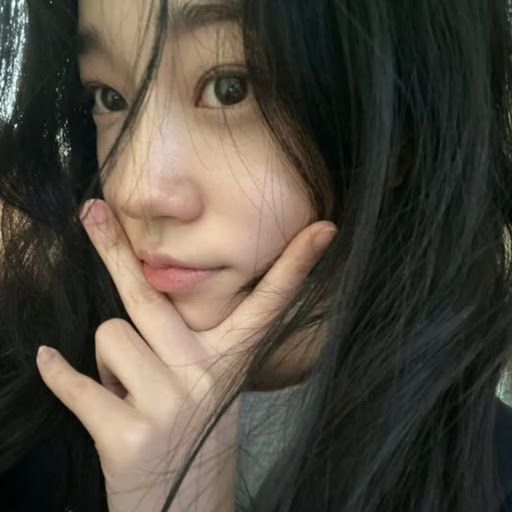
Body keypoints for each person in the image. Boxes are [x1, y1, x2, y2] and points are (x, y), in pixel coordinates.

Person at [2, 0, 512, 510]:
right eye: (109, 97)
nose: (136, 191)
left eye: (231, 88)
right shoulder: (24, 388)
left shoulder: (489, 477)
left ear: (401, 131)